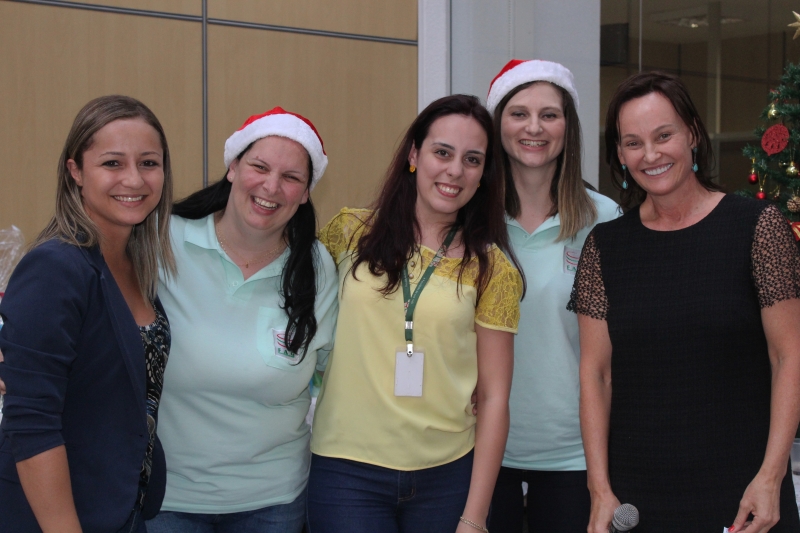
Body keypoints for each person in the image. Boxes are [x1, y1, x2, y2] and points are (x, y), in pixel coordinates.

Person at [571, 71, 800, 533]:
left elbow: (789, 355)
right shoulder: (605, 247)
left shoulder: (758, 227)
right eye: (633, 143)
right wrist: (599, 488)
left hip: (744, 494)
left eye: (664, 135)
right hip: (636, 500)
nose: (650, 154)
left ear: (693, 134)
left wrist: (772, 476)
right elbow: (597, 375)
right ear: (620, 155)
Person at [306, 94, 523, 533]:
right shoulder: (349, 232)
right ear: (413, 155)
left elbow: (495, 398)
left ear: (483, 174)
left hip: (446, 476)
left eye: (472, 160)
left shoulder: (492, 268)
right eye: (442, 152)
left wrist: (475, 517)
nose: (455, 170)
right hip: (346, 472)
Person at [144, 107, 337, 533]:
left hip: (273, 500)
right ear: (233, 167)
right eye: (259, 167)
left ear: (306, 193)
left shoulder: (316, 267)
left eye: (291, 177)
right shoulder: (162, 239)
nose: (271, 187)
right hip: (168, 497)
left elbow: (338, 370)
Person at [0, 95, 176, 533]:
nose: (134, 179)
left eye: (149, 163)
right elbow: (32, 423)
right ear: (75, 171)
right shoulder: (56, 267)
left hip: (121, 508)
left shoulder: (135, 264)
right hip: (58, 516)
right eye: (112, 163)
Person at [483, 59, 619, 532]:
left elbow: (618, 350)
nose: (534, 128)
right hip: (479, 449)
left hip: (576, 456)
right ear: (498, 124)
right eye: (518, 113)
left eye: (549, 114)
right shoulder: (471, 219)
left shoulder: (605, 220)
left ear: (568, 127)